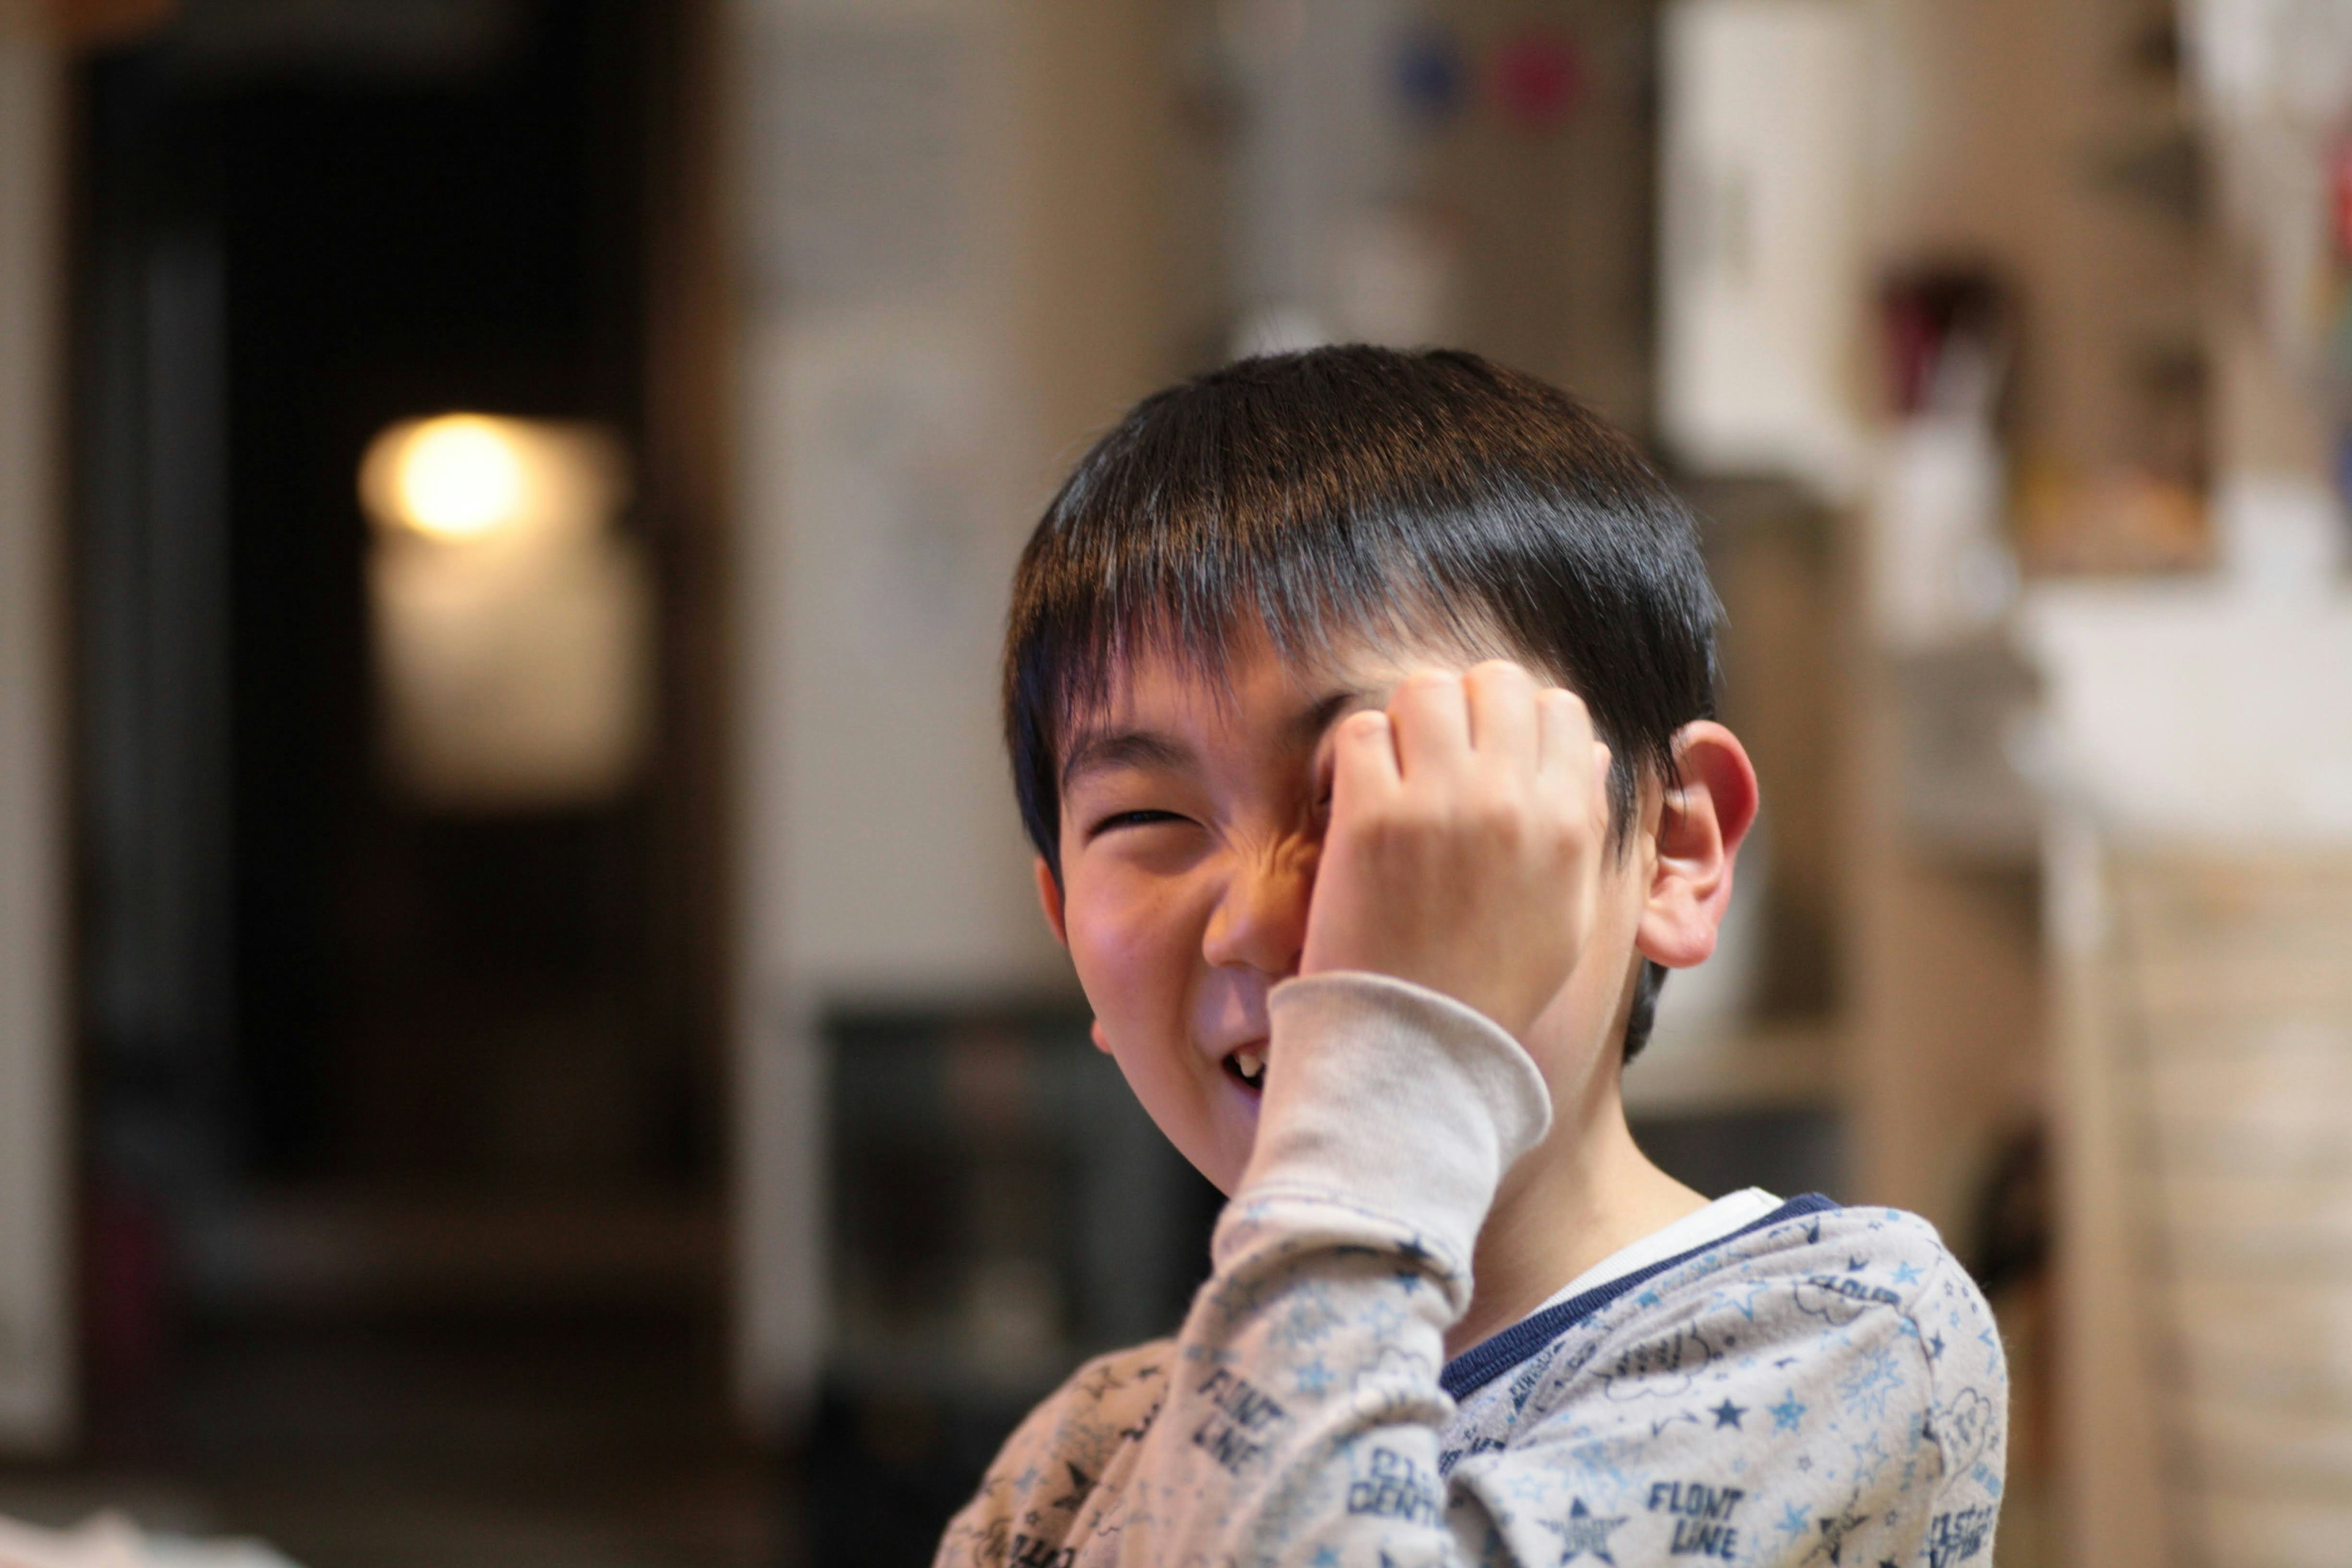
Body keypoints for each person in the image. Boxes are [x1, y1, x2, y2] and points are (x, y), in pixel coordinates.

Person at [936, 347, 2006, 1567]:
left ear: (1673, 846)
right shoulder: (1080, 1458)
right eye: (1144, 823)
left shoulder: (1844, 1337)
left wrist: (1391, 1053)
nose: (1250, 915)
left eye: (1371, 788)